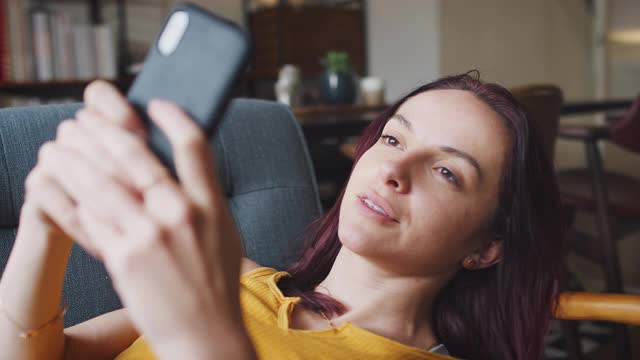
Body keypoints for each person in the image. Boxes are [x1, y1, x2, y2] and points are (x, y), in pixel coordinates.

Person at [0, 71, 564, 360]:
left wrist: (198, 334)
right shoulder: (236, 282)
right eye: (393, 138)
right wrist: (44, 227)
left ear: (488, 245)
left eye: (448, 172)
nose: (396, 170)